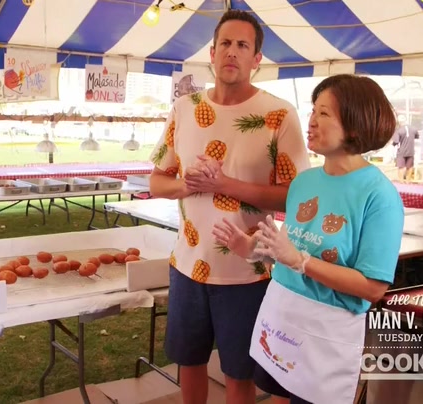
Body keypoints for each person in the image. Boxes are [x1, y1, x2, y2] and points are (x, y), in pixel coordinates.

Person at [147, 9, 310, 404]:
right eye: (225, 43)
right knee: (189, 363)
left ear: (257, 59)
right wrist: (188, 184)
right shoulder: (184, 109)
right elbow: (156, 182)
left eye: (242, 45)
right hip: (188, 265)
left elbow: (295, 196)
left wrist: (224, 185)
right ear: (212, 52)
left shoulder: (278, 115)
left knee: (239, 372)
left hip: (248, 272)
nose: (232, 52)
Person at [212, 74, 404, 404]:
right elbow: (291, 249)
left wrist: (302, 262)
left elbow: (373, 287)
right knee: (277, 390)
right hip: (281, 319)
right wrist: (253, 250)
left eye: (324, 113)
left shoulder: (379, 196)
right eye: (313, 110)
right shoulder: (303, 183)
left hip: (325, 335)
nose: (311, 121)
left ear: (355, 125)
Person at [392, 115, 418, 181]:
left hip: (401, 152)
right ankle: (408, 181)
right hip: (411, 151)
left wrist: (393, 144)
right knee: (410, 167)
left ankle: (401, 182)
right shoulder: (414, 129)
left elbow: (396, 141)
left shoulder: (399, 130)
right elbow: (417, 136)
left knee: (401, 167)